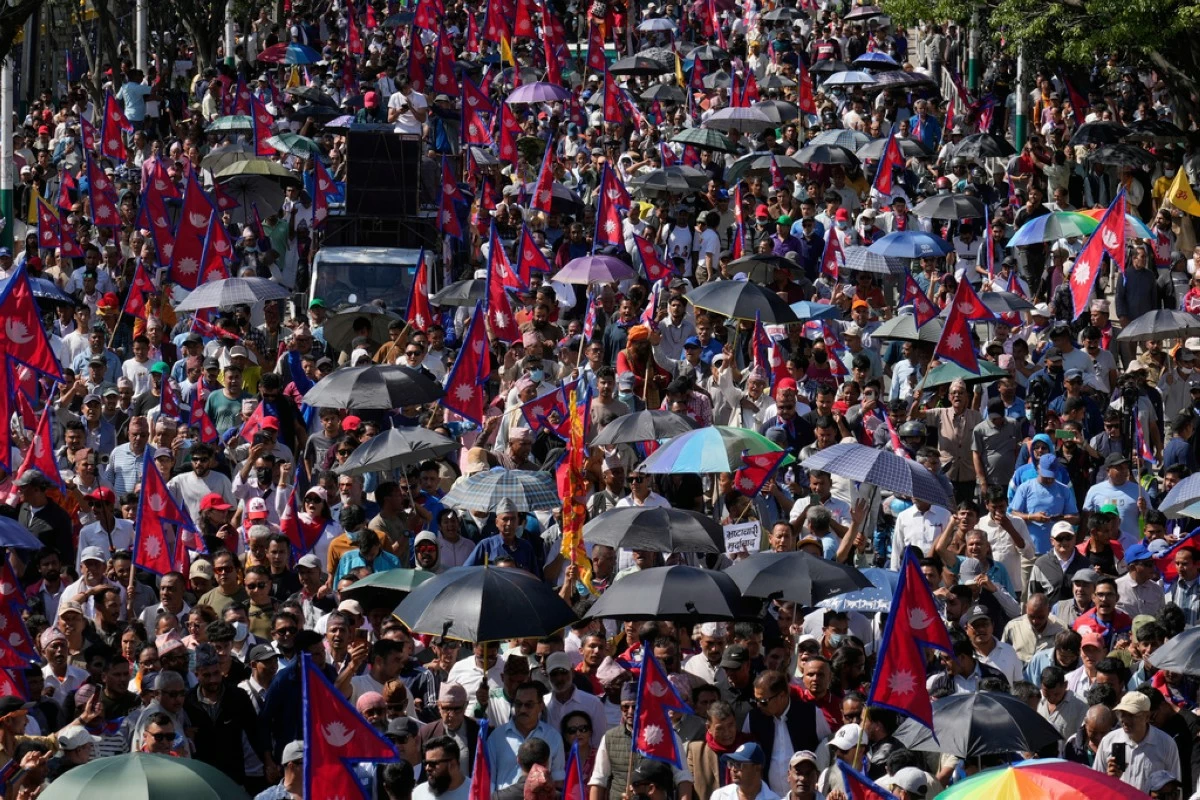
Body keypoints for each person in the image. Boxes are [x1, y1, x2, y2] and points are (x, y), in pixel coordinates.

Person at [1092, 691, 1181, 792]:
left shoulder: (1166, 744)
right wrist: (1109, 778)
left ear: (1147, 716)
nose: (1124, 720)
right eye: (1122, 714)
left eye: (1131, 715)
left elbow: (1175, 788)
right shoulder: (1108, 741)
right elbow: (1096, 784)